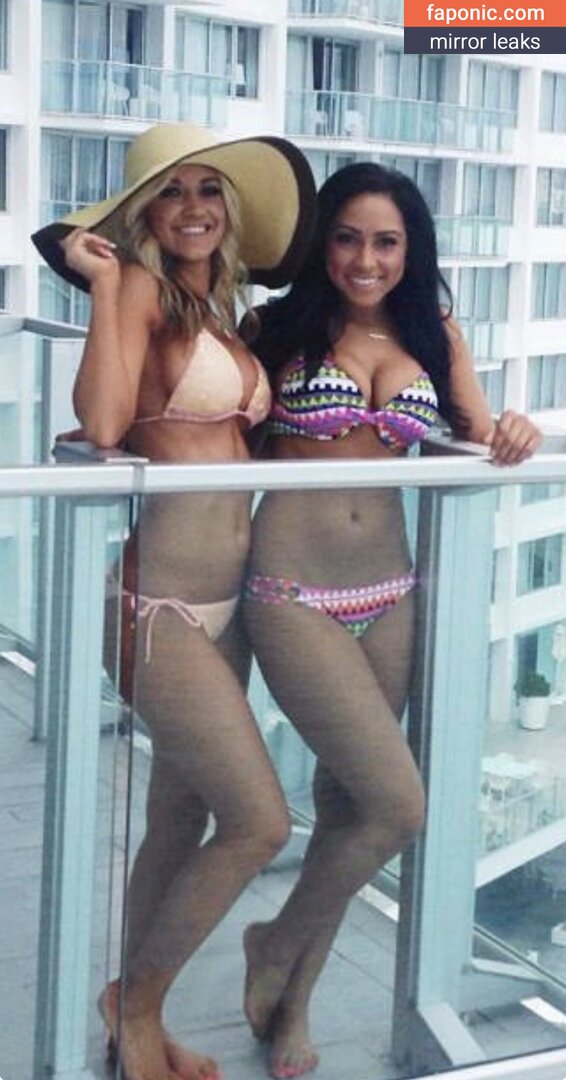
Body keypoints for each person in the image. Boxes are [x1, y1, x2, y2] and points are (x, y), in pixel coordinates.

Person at [240, 162, 542, 1079]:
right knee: (397, 806)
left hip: (392, 593)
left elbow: (478, 430)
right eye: (347, 238)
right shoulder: (276, 329)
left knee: (348, 811)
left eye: (385, 242)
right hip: (293, 590)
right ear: (322, 243)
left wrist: (515, 431)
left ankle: (294, 1006)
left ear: (411, 251)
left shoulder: (430, 332)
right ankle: (271, 945)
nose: (365, 260)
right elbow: (215, 428)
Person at [32, 122, 316, 1080]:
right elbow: (106, 422)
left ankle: (139, 1025)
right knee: (260, 823)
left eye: (208, 188)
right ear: (144, 214)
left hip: (225, 602)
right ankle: (136, 1002)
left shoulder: (222, 309)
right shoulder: (143, 290)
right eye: (171, 191)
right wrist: (105, 285)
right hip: (159, 606)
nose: (193, 207)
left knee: (178, 821)